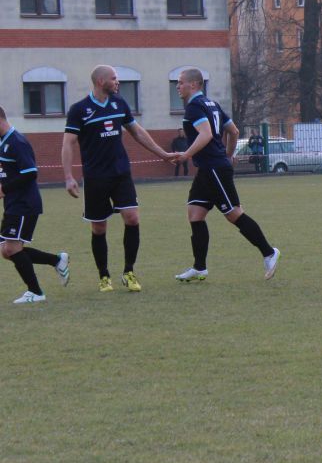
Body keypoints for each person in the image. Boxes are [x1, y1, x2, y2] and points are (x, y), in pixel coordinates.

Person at [62, 64, 174, 292]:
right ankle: (104, 276)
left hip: (121, 174)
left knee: (132, 218)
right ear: (101, 81)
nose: (117, 82)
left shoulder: (119, 103)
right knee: (99, 228)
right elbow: (68, 143)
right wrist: (68, 176)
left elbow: (137, 131)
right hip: (95, 177)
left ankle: (129, 272)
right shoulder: (79, 109)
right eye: (114, 78)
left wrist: (162, 154)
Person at [170, 67, 281, 282]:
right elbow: (234, 131)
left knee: (233, 214)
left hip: (214, 168)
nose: (178, 86)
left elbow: (205, 135)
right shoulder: (212, 104)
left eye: (181, 82)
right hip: (208, 169)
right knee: (195, 213)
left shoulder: (194, 107)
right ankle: (199, 268)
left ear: (193, 84)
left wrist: (186, 155)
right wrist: (228, 155)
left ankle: (269, 252)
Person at [0, 105, 70, 303]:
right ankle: (57, 260)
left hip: (24, 204)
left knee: (11, 249)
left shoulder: (17, 142)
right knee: (6, 250)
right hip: (14, 203)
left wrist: (4, 189)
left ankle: (36, 292)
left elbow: (30, 173)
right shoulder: (4, 142)